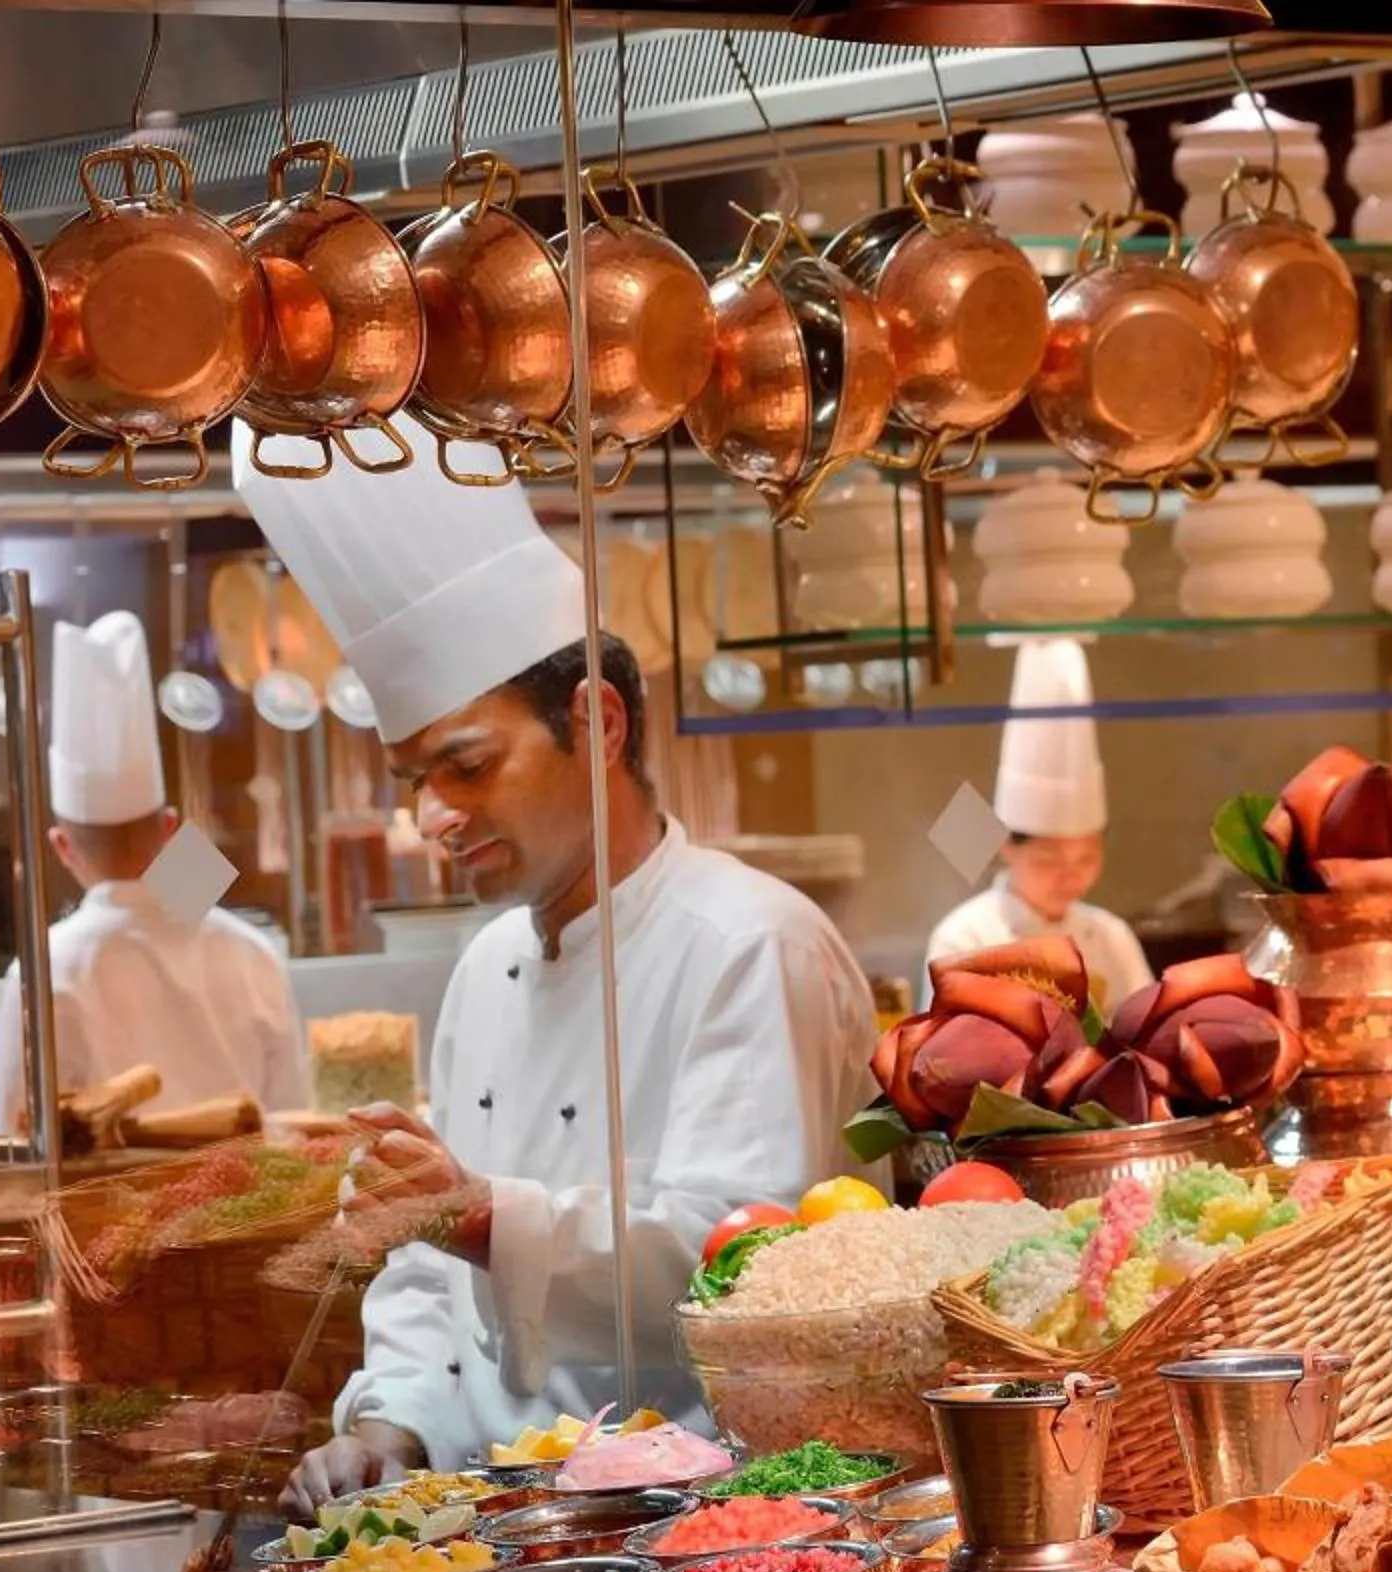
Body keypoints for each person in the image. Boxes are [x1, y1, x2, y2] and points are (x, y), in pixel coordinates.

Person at [241, 415, 880, 1516]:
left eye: (467, 765)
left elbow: (746, 1268)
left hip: (705, 1520)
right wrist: (389, 1425)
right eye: (414, 781)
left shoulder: (750, 943)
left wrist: (484, 1216)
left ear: (598, 724)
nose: (434, 818)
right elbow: (429, 1267)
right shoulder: (485, 963)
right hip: (494, 1517)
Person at [0, 611, 306, 1134]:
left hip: (110, 1194)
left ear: (62, 847)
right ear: (170, 828)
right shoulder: (253, 951)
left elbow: (13, 1135)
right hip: (248, 1189)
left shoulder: (44, 971)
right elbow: (291, 1118)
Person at [923, 637, 1152, 1008]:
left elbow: (1148, 1030)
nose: (1071, 877)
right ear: (1006, 845)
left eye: (1087, 858)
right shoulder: (964, 939)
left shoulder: (1112, 937)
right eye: (1049, 860)